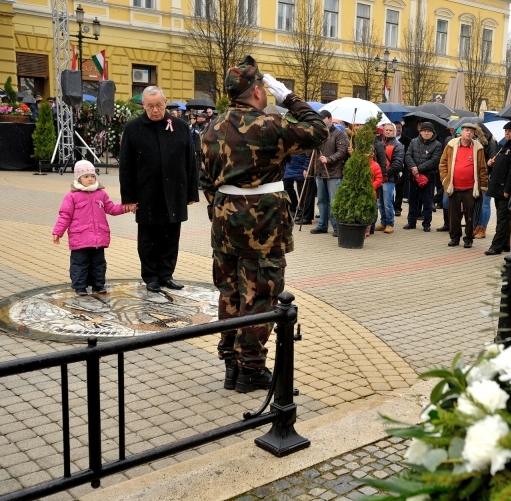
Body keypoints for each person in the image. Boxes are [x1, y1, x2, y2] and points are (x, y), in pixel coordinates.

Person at [200, 55, 327, 393]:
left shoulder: (211, 127)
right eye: (265, 89)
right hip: (263, 224)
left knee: (229, 293)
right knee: (260, 295)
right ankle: (251, 369)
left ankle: (231, 364)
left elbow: (205, 179)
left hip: (224, 221)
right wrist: (290, 98)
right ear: (257, 91)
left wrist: (222, 208)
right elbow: (319, 130)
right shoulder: (270, 125)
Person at [119, 85, 199, 293]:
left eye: (159, 105)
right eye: (150, 106)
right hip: (146, 192)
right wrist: (128, 197)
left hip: (175, 191)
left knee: (171, 237)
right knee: (148, 239)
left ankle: (166, 275)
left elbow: (190, 161)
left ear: (166, 103)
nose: (155, 110)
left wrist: (191, 192)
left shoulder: (181, 127)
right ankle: (151, 276)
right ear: (143, 106)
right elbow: (126, 165)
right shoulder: (133, 128)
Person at [52, 160, 130, 296]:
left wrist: (126, 207)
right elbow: (65, 215)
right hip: (80, 238)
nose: (90, 179)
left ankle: (98, 285)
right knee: (79, 263)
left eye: (92, 176)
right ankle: (80, 286)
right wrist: (58, 231)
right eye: (86, 176)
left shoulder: (101, 194)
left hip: (98, 238)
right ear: (79, 178)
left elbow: (111, 208)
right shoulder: (72, 196)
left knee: (98, 263)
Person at [439, 122, 489, 249]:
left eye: (471, 131)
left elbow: (482, 168)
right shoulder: (451, 145)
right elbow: (443, 163)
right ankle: (454, 238)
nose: (469, 133)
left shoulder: (478, 148)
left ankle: (468, 239)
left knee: (470, 215)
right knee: (454, 215)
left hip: (470, 188)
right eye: (466, 130)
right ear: (461, 132)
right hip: (454, 187)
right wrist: (445, 180)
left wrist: (483, 186)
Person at [485, 122, 511, 255]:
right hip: (497, 187)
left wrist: (508, 189)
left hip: (505, 189)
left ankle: (496, 245)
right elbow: (502, 163)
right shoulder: (505, 146)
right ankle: (505, 244)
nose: (507, 133)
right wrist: (491, 163)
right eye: (506, 131)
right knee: (503, 217)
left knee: (502, 218)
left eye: (510, 131)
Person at [308, 109, 349, 237]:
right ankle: (322, 225)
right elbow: (308, 153)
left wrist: (329, 159)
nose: (320, 121)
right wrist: (311, 143)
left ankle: (337, 227)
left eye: (322, 118)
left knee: (334, 201)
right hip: (320, 172)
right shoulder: (318, 133)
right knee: (321, 201)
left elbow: (342, 152)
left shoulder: (339, 134)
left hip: (334, 173)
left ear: (329, 119)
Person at [404, 122, 442, 232]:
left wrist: (419, 169)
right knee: (413, 200)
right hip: (413, 176)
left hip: (428, 178)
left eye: (428, 131)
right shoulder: (413, 141)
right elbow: (408, 155)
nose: (426, 133)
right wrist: (413, 168)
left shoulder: (437, 145)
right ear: (420, 132)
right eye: (424, 131)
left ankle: (426, 224)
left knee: (427, 201)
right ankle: (411, 222)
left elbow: (434, 161)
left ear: (432, 133)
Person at [376, 123, 404, 234]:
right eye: (386, 130)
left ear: (394, 132)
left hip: (389, 178)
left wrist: (385, 173)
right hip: (379, 177)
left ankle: (389, 224)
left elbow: (398, 163)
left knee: (387, 202)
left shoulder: (397, 145)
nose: (388, 132)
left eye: (390, 130)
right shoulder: (379, 143)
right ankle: (383, 222)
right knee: (380, 203)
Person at [282, 150, 311, 220]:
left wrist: (306, 167)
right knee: (286, 188)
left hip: (301, 164)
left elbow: (309, 154)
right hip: (290, 165)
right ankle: (293, 208)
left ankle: (302, 212)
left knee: (302, 192)